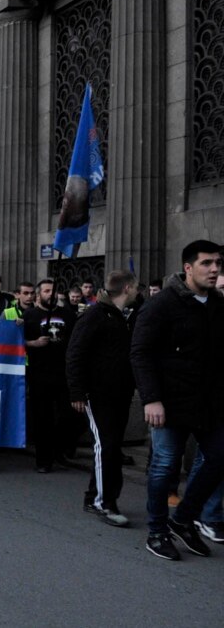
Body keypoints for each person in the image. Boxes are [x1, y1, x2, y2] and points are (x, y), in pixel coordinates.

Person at [131, 240, 224, 560]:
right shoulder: (162, 304)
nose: (215, 269)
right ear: (188, 268)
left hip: (208, 404)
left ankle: (183, 519)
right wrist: (151, 399)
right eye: (207, 263)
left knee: (218, 457)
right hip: (168, 404)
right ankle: (157, 531)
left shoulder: (217, 304)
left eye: (218, 264)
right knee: (164, 467)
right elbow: (140, 353)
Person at [67, 271, 138, 528]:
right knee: (105, 446)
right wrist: (77, 391)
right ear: (128, 288)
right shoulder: (94, 316)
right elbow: (75, 354)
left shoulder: (121, 316)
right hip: (97, 395)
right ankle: (103, 502)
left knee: (111, 446)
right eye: (136, 288)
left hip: (119, 394)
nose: (138, 292)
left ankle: (94, 497)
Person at [23, 278, 81, 473]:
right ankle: (43, 459)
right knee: (43, 417)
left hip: (63, 373)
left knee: (67, 415)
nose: (50, 294)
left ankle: (60, 450)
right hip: (40, 373)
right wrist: (33, 343)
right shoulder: (29, 315)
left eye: (53, 291)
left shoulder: (68, 315)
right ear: (39, 294)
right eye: (46, 291)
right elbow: (18, 343)